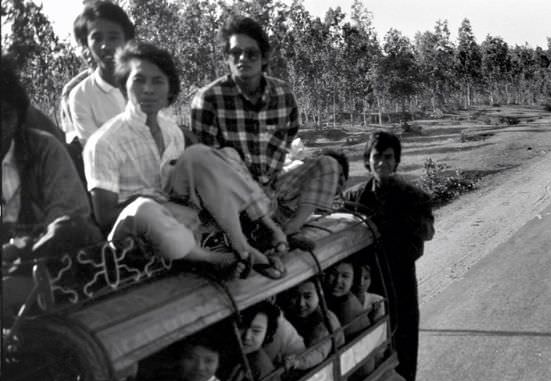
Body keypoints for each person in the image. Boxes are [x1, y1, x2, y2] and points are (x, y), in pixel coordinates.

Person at [83, 41, 285, 276]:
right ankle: (211, 260)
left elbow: (188, 187)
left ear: (169, 90)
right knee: (145, 209)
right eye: (138, 80)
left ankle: (242, 244)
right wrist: (144, 199)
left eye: (157, 81)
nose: (148, 89)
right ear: (123, 85)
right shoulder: (104, 143)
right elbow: (105, 218)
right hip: (138, 228)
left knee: (201, 154)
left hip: (179, 219)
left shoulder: (172, 132)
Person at [191, 15, 344, 240]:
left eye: (251, 53)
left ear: (264, 57)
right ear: (226, 57)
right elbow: (208, 167)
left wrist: (269, 186)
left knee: (328, 165)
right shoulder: (208, 99)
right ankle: (257, 231)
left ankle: (292, 227)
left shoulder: (283, 95)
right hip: (230, 195)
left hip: (272, 186)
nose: (243, 58)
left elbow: (288, 138)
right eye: (235, 53)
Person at [342, 131, 435, 381]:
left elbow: (428, 233)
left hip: (400, 278)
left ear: (396, 161)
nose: (382, 163)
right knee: (369, 341)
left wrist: (407, 214)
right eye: (376, 157)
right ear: (367, 160)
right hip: (368, 282)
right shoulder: (354, 197)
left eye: (388, 157)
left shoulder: (412, 196)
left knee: (404, 339)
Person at [1, 56, 101, 322]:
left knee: (70, 229)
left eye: (5, 115)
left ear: (19, 117)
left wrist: (22, 249)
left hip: (49, 258)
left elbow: (68, 214)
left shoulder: (43, 148)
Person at [66, 1, 135, 147]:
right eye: (97, 38)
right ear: (86, 44)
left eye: (113, 37)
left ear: (127, 40)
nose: (105, 46)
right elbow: (96, 152)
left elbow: (166, 137)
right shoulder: (80, 96)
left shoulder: (149, 82)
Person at [226, 301, 281, 381]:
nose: (247, 336)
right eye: (241, 327)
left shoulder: (261, 371)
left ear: (267, 334)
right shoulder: (236, 352)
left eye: (256, 331)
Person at [281, 279, 344, 371]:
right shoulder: (294, 312)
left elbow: (318, 352)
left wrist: (297, 362)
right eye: (295, 296)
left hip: (329, 369)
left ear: (319, 295)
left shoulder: (325, 321)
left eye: (307, 296)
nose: (301, 303)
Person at [323, 259, 370, 340]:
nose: (338, 280)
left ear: (353, 281)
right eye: (333, 274)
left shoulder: (348, 307)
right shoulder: (339, 299)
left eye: (345, 276)